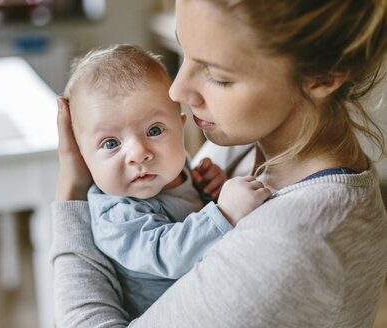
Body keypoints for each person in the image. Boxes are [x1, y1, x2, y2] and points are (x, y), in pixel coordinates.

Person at [51, 0, 387, 327]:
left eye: (216, 75)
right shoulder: (247, 139)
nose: (177, 91)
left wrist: (72, 194)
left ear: (322, 75)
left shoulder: (292, 246)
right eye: (184, 53)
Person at [61, 44, 271, 319]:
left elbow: (190, 205)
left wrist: (210, 187)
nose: (138, 154)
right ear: (83, 155)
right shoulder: (118, 213)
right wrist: (224, 213)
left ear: (181, 125)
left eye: (155, 130)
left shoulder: (176, 167)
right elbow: (168, 254)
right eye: (111, 143)